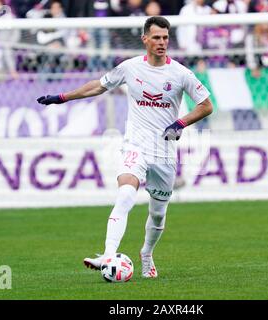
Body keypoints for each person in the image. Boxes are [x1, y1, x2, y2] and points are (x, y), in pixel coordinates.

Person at [37, 16, 213, 278]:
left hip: (163, 152)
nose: (162, 42)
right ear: (145, 39)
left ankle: (146, 253)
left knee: (157, 215)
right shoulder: (130, 68)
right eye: (156, 37)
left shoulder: (180, 74)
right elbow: (98, 85)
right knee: (125, 195)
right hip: (136, 145)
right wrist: (62, 97)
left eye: (165, 38)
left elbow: (206, 105)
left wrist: (180, 123)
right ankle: (108, 255)